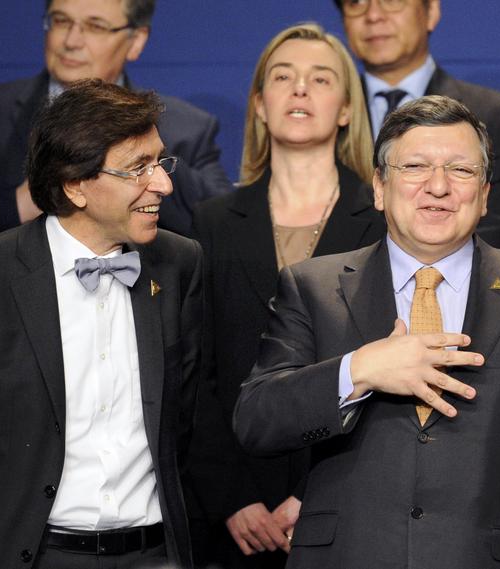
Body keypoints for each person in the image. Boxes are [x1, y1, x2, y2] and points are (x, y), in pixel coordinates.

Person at [233, 95, 500, 568]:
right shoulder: (313, 287)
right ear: (379, 188)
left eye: (461, 171)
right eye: (415, 167)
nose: (438, 187)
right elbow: (257, 420)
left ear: (485, 194)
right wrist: (358, 370)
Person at [185, 23, 386, 569]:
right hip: (235, 517)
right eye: (283, 77)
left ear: (346, 108)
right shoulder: (211, 223)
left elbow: (386, 366)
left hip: (347, 501)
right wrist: (233, 497)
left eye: (320, 79)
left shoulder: (384, 221)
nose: (299, 89)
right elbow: (191, 373)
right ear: (258, 102)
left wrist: (315, 493)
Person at [0, 79, 202, 568]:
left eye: (160, 162)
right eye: (138, 169)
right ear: (75, 185)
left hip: (155, 555)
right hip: (33, 554)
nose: (163, 184)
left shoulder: (179, 263)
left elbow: (188, 419)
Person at [0, 0, 231, 237]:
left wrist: (144, 152)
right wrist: (16, 207)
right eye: (61, 21)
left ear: (136, 41)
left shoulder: (185, 129)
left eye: (95, 26)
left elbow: (224, 231)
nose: (71, 41)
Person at [332, 0, 500, 250]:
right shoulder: (326, 113)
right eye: (356, 3)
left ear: (432, 12)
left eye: (392, 2)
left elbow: (499, 229)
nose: (373, 15)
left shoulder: (494, 114)